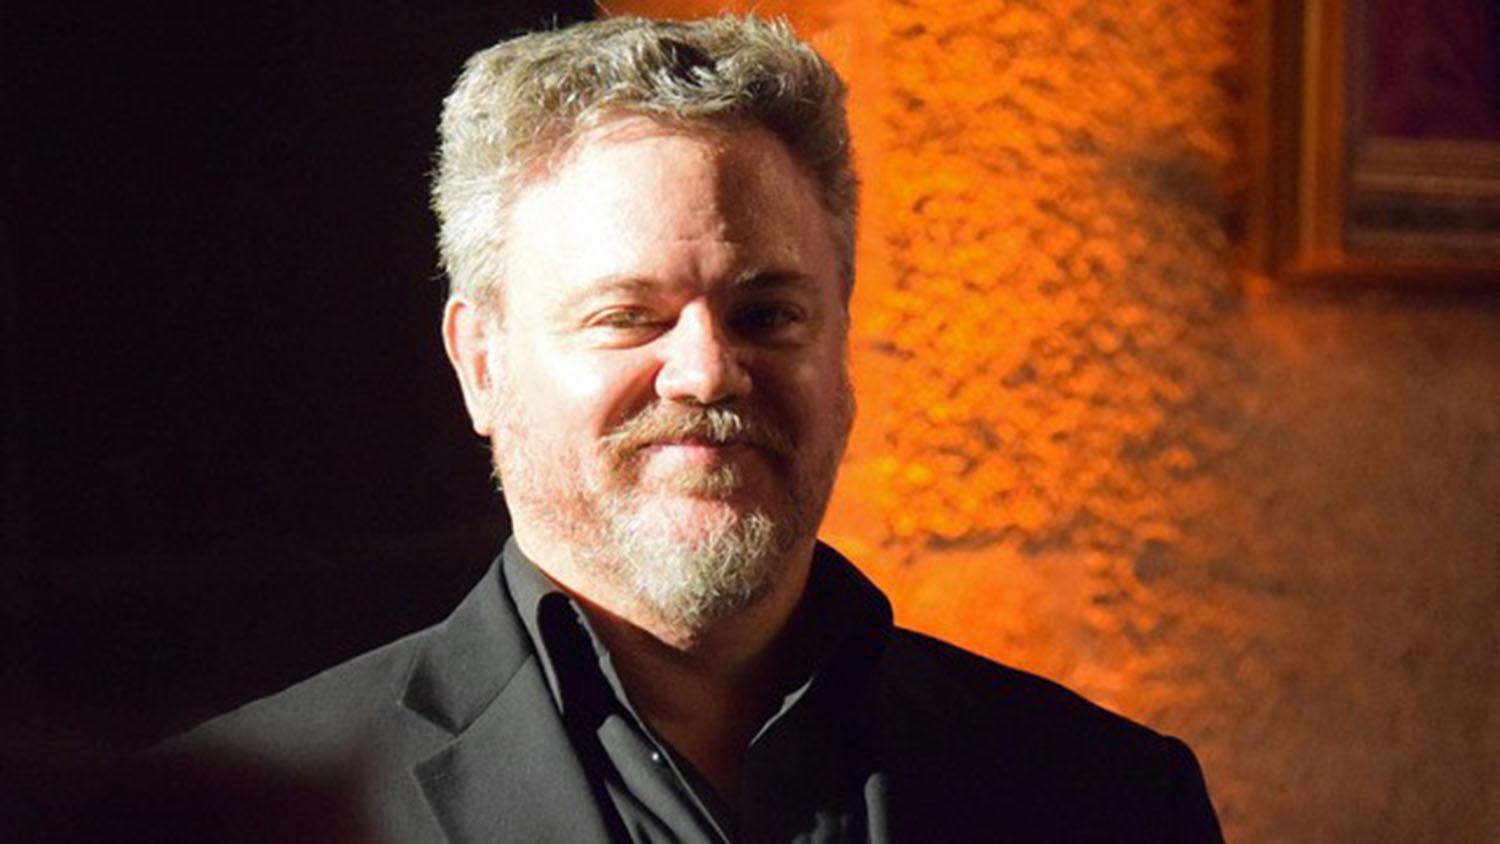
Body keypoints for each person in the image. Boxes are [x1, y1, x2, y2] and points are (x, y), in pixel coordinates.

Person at [174, 15, 1224, 843]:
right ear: (480, 362)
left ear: (842, 346)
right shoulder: (230, 820)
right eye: (628, 316)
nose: (709, 369)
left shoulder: (1113, 800)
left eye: (767, 314)